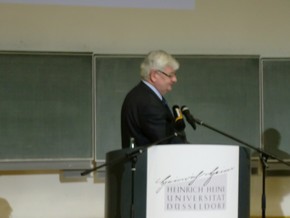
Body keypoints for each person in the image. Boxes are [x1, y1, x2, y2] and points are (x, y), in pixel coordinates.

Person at [121, 50, 187, 148]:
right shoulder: (147, 102)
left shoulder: (143, 95)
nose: (175, 79)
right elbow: (167, 143)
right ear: (154, 75)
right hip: (149, 162)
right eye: (171, 75)